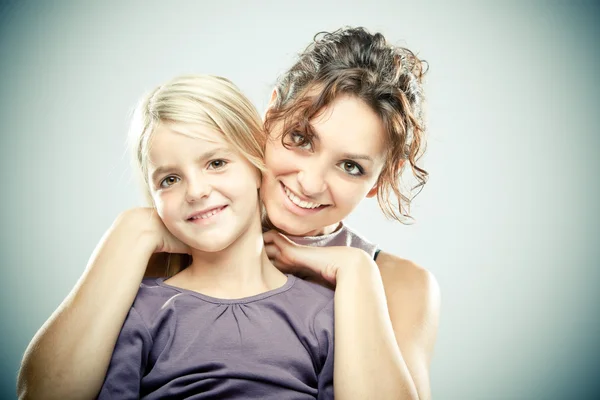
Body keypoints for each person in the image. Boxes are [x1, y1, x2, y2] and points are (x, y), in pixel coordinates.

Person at [18, 27, 440, 400]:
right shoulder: (195, 231)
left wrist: (354, 269)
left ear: (382, 177)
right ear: (271, 113)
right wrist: (132, 231)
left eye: (351, 166)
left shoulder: (398, 284)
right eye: (300, 137)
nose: (310, 182)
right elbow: (43, 392)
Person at [100, 74, 335, 398]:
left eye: (216, 162)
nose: (196, 191)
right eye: (170, 179)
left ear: (257, 164)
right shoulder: (138, 311)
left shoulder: (324, 313)